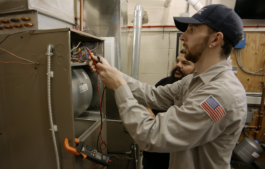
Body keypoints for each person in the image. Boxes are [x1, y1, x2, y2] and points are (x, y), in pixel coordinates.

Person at [89, 4, 246, 169]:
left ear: (215, 39)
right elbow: (154, 95)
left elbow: (151, 135)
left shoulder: (221, 94)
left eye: (191, 30)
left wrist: (119, 86)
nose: (182, 36)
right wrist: (114, 73)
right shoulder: (194, 80)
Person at [143, 50, 195, 169]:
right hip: (151, 155)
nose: (178, 65)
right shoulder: (165, 82)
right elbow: (148, 99)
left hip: (170, 160)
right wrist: (150, 114)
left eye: (185, 63)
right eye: (177, 61)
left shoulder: (194, 92)